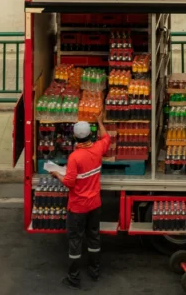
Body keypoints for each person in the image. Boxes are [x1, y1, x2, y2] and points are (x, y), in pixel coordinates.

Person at [50, 115, 110, 289]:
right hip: (95, 204)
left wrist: (57, 174)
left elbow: (70, 182)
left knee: (75, 241)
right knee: (94, 237)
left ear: (75, 137)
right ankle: (94, 271)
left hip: (78, 207)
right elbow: (106, 138)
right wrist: (99, 121)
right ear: (91, 136)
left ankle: (74, 278)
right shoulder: (98, 149)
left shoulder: (75, 158)